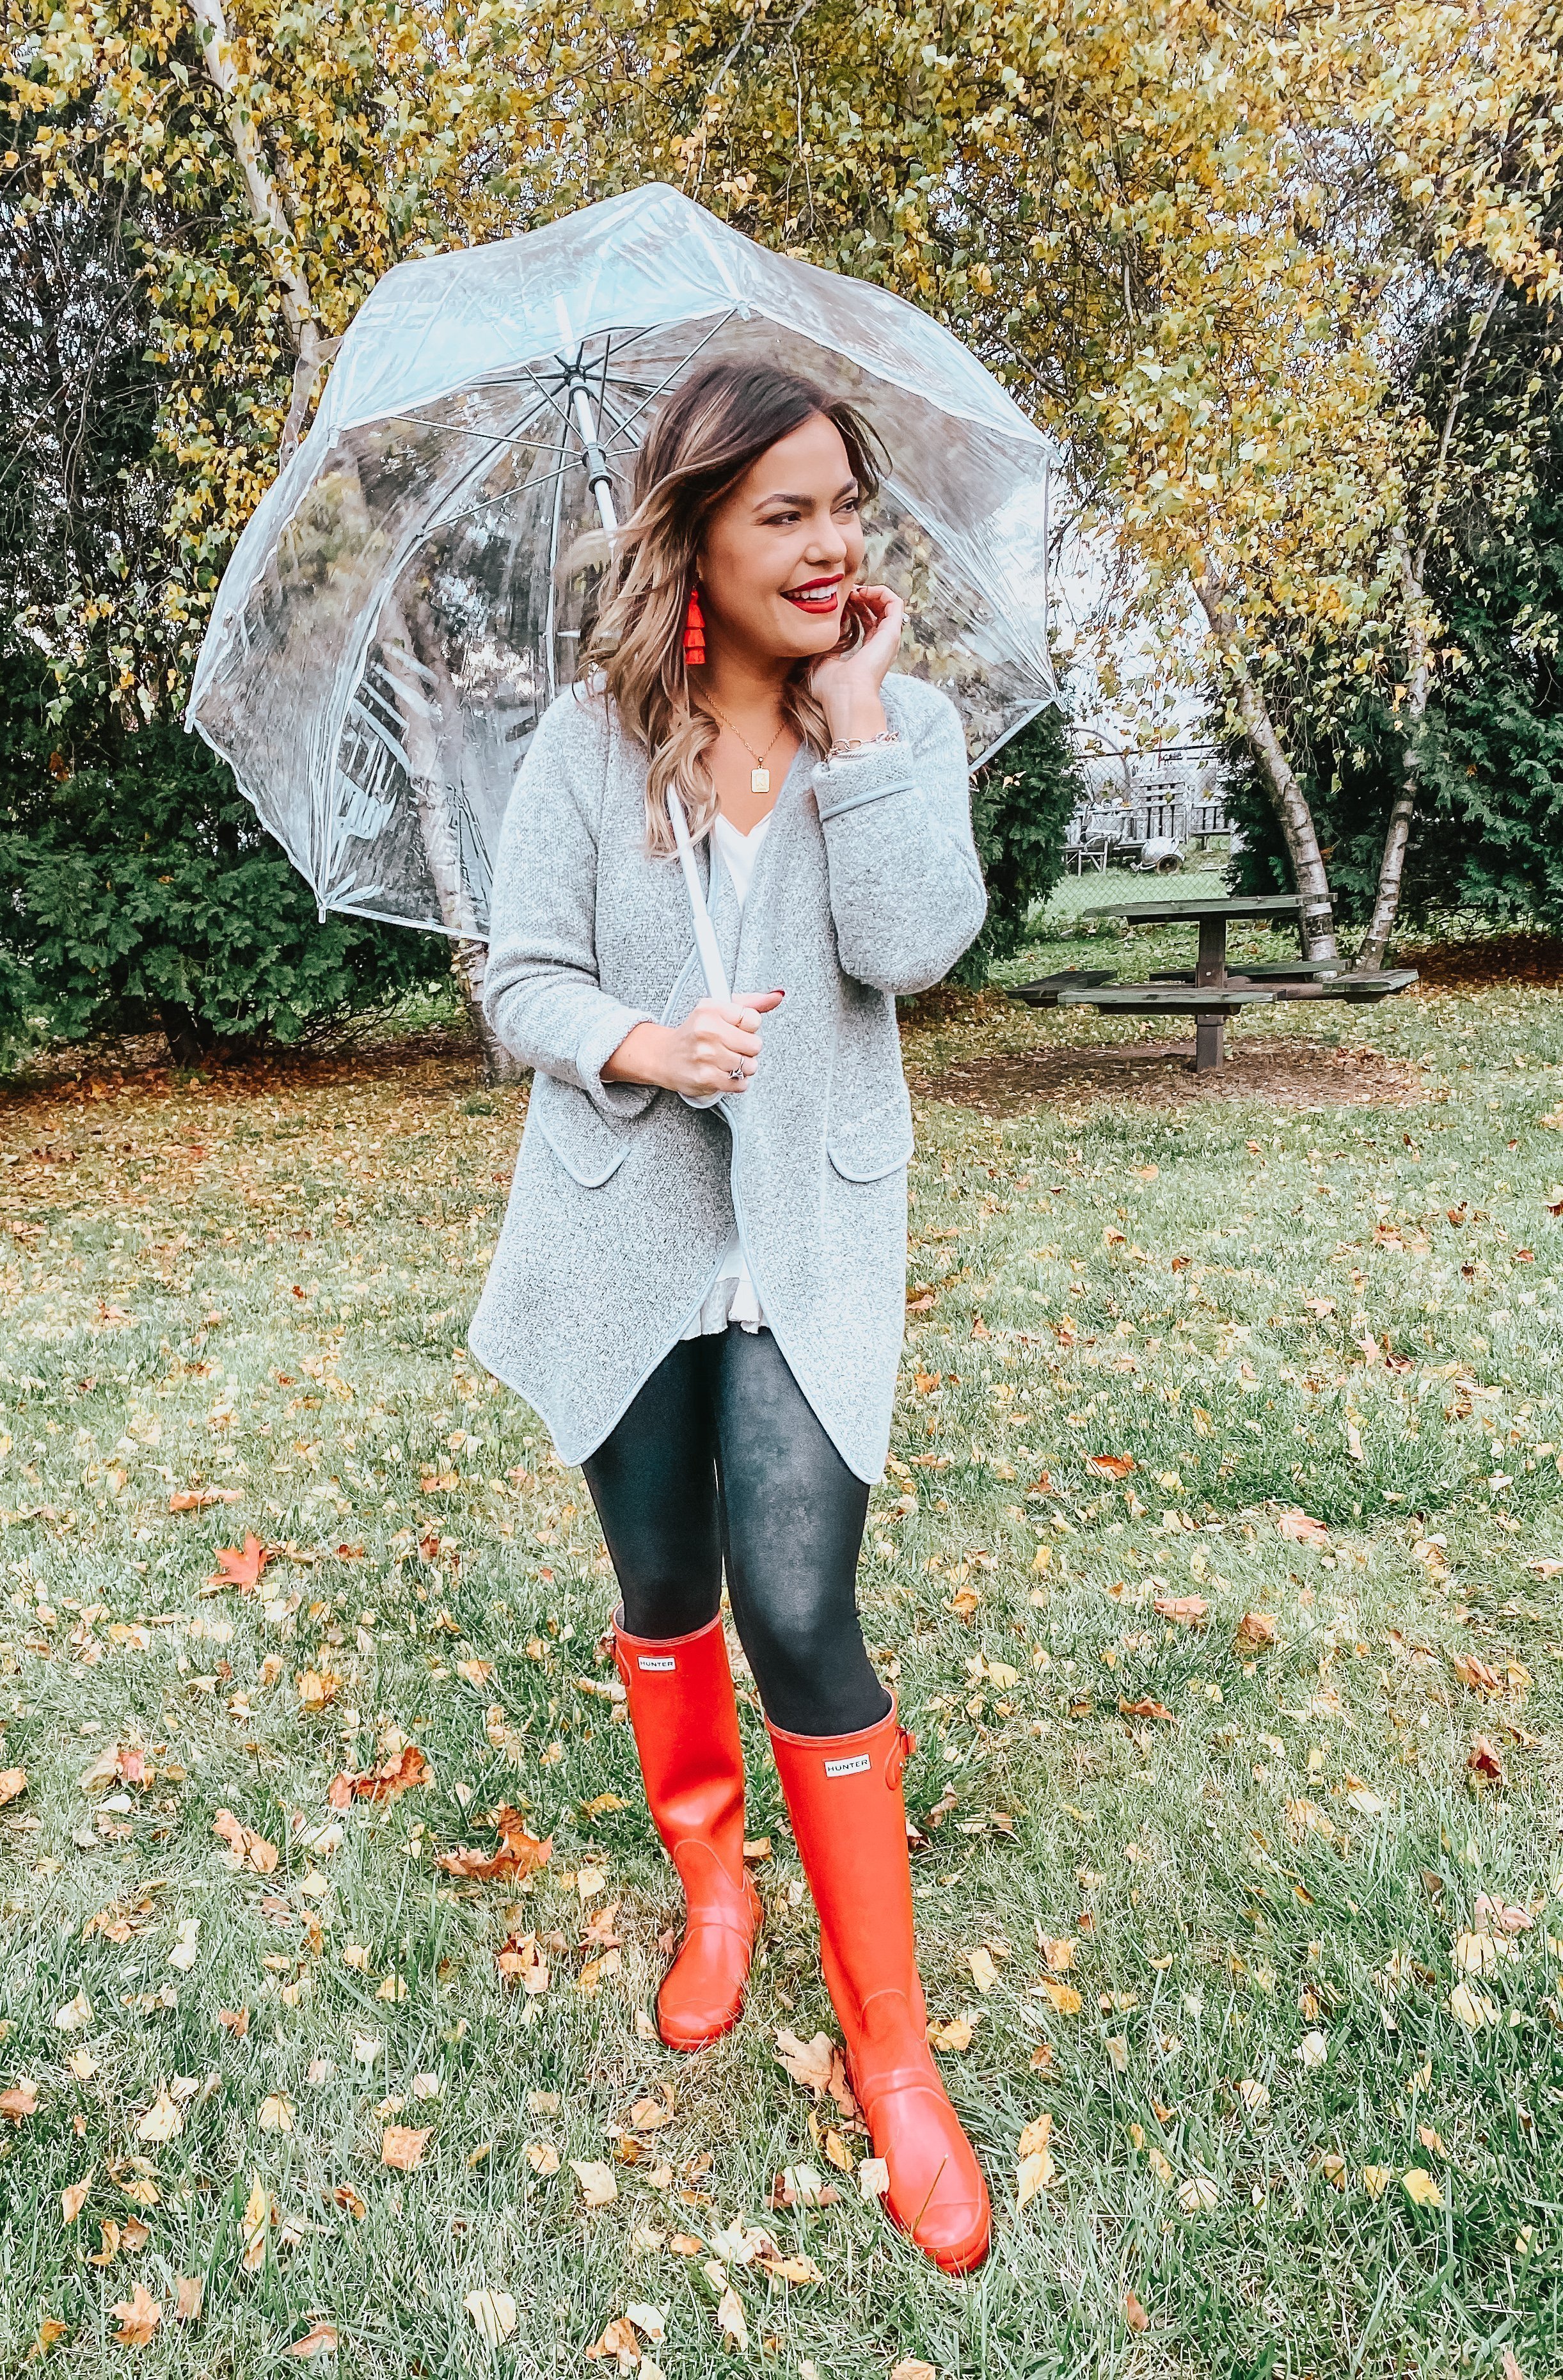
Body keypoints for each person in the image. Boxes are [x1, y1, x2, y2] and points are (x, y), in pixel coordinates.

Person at [466, 359, 990, 2273]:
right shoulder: (592, 745)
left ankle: (894, 2055)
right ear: (690, 533)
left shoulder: (898, 716)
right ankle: (713, 1892)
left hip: (814, 1243)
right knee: (666, 1592)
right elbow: (515, 979)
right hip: (625, 1234)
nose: (830, 540)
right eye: (783, 511)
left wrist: (855, 726)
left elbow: (911, 948)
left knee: (797, 1609)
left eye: (843, 504)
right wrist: (639, 1039)